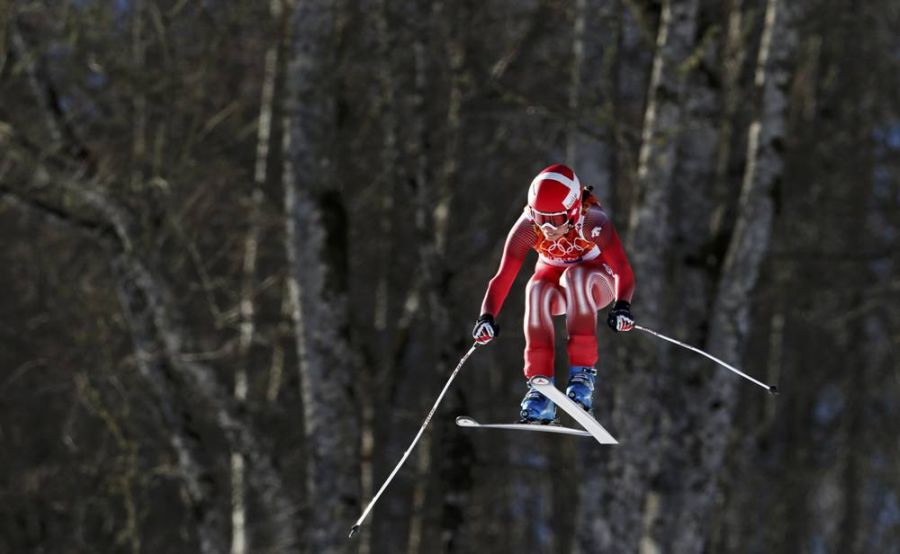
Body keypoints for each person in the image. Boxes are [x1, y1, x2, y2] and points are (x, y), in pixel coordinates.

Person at [472, 164, 635, 424]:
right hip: (557, 284)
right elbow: (503, 277)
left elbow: (622, 270)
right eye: (540, 217)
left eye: (556, 219)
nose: (547, 228)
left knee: (575, 276)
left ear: (572, 210)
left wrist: (622, 305)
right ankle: (540, 389)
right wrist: (486, 316)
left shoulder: (593, 220)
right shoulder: (527, 228)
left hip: (595, 281)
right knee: (535, 288)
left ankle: (582, 377)